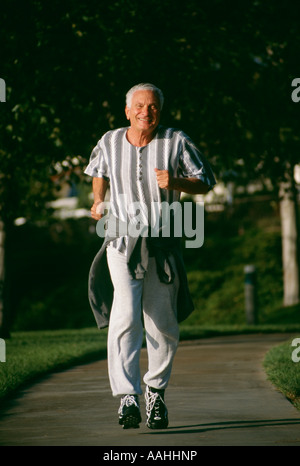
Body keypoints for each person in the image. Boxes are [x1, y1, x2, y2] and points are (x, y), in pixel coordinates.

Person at [84, 83, 216, 430]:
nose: (147, 112)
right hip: (121, 241)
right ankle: (128, 397)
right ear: (127, 110)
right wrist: (98, 201)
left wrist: (176, 181)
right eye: (140, 106)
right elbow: (99, 171)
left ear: (161, 110)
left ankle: (155, 391)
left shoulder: (176, 141)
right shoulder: (110, 141)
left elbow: (206, 180)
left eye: (153, 106)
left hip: (162, 243)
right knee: (125, 314)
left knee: (162, 322)